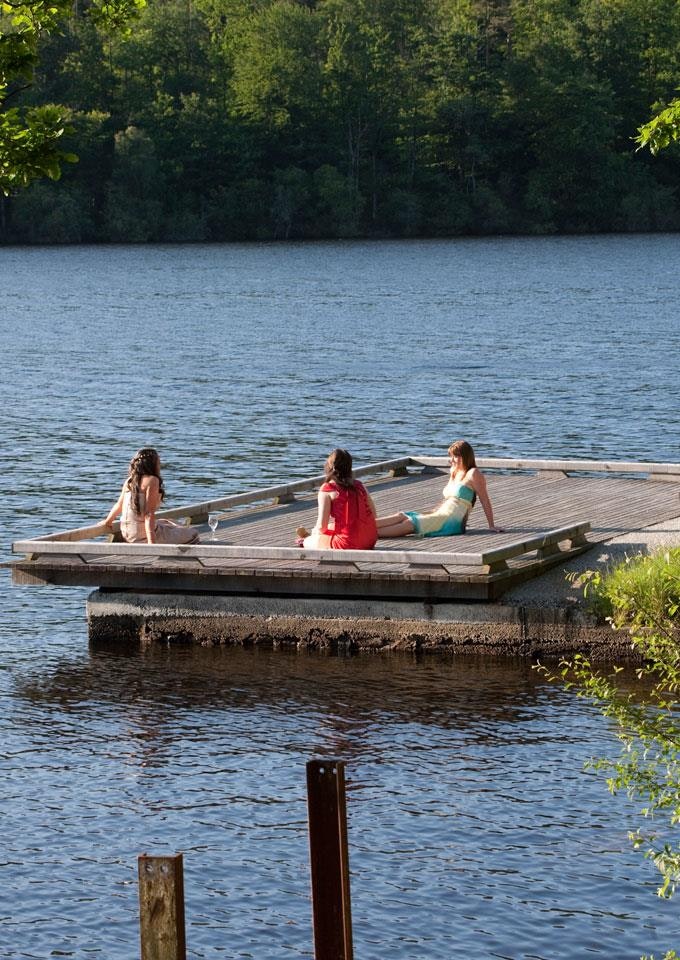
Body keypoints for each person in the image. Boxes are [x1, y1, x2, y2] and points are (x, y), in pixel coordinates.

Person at [375, 440, 502, 538]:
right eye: (451, 456)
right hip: (440, 514)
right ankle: (364, 527)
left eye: (456, 456)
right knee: (401, 515)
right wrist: (433, 512)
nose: (452, 460)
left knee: (409, 523)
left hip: (450, 522)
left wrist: (491, 525)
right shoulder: (454, 471)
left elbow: (485, 500)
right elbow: (449, 500)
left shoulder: (473, 473)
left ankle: (370, 534)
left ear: (466, 456)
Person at [102, 447, 200, 544]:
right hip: (142, 538)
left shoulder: (130, 480)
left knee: (168, 522)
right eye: (158, 462)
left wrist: (108, 521)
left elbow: (119, 505)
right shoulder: (152, 480)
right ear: (152, 465)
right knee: (193, 534)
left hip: (127, 533)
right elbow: (148, 514)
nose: (160, 465)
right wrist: (151, 544)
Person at [296, 448, 378, 550]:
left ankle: (307, 538)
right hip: (370, 539)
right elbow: (374, 515)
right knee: (331, 526)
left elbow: (322, 527)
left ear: (330, 466)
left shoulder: (327, 489)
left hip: (348, 543)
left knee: (308, 541)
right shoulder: (360, 486)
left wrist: (314, 533)